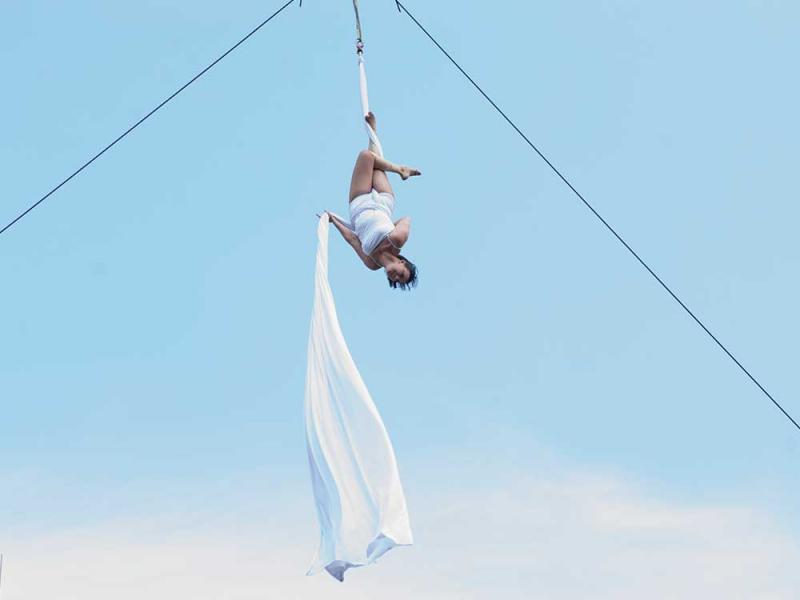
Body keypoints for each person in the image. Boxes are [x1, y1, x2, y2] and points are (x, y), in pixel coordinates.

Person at [325, 112, 421, 290]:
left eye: (396, 280)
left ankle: (373, 132)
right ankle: (399, 169)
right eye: (401, 274)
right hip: (383, 201)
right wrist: (389, 225)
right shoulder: (397, 239)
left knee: (367, 158)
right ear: (402, 262)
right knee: (370, 159)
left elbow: (353, 239)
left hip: (360, 204)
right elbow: (406, 219)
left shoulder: (372, 263)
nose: (395, 277)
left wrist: (333, 220)